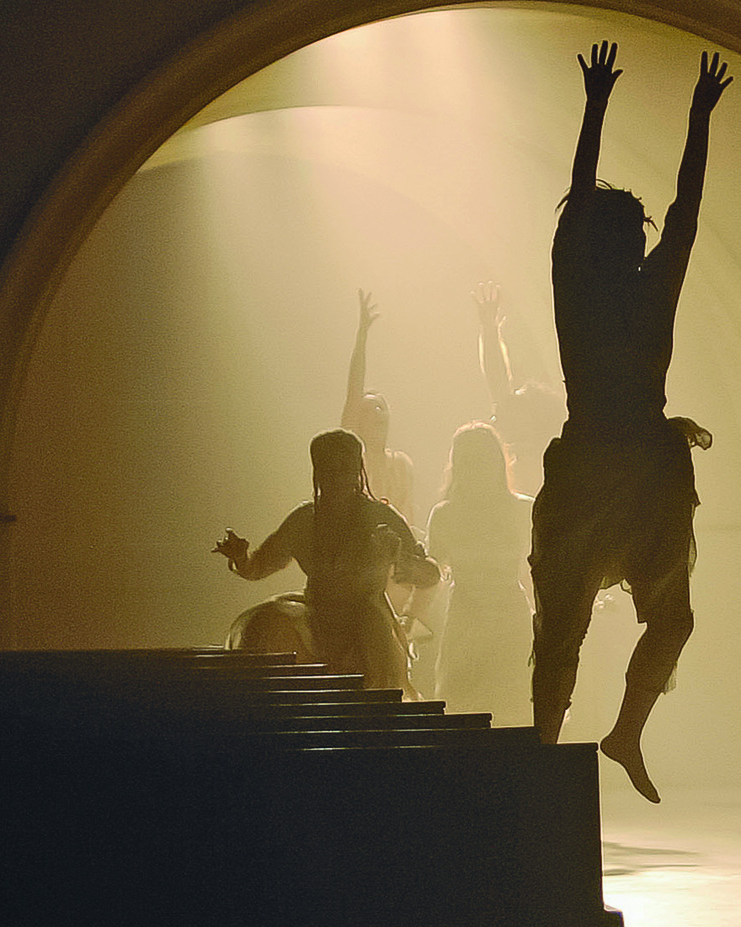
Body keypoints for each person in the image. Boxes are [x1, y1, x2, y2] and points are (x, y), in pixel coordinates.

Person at [528, 40, 729, 802]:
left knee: (648, 622)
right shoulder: (607, 291)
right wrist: (694, 118)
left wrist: (600, 107)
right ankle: (555, 755)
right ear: (624, 244)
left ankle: (620, 734)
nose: (645, 245)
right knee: (568, 626)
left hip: (625, 464)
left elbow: (670, 212)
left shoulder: (594, 289)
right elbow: (676, 210)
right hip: (622, 463)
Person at [215, 428, 440, 695]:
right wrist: (240, 558)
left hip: (367, 620)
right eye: (329, 469)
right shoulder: (303, 519)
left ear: (357, 470)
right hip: (315, 614)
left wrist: (402, 560)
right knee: (265, 624)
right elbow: (256, 568)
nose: (337, 477)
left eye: (344, 468)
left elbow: (430, 575)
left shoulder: (379, 516)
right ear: (317, 470)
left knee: (373, 648)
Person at [425, 422, 535, 725]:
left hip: (510, 620)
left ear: (498, 462)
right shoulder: (445, 514)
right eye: (470, 460)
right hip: (465, 623)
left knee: (514, 713)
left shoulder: (525, 510)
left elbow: (540, 573)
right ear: (458, 466)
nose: (478, 468)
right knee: (463, 714)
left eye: (484, 459)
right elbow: (431, 572)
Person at [473, 280, 567, 497]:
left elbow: (498, 384)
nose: (502, 415)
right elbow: (497, 381)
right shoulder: (511, 462)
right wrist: (488, 328)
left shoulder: (554, 467)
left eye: (517, 403)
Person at [341, 289, 416, 523]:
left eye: (380, 408)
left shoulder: (401, 464)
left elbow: (408, 517)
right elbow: (354, 392)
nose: (376, 413)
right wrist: (362, 336)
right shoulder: (352, 458)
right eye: (368, 409)